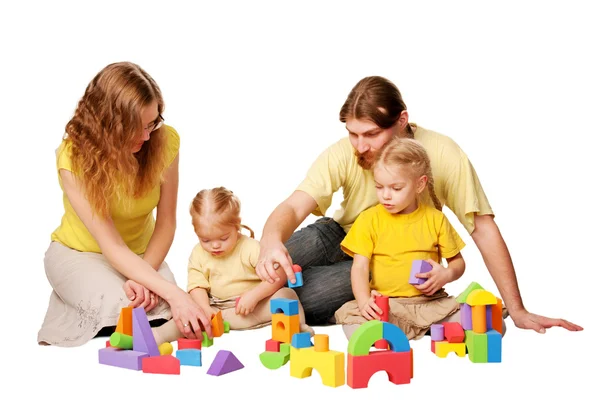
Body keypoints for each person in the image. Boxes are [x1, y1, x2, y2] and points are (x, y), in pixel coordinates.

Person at [255, 75, 583, 334]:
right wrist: (271, 240)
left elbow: (482, 229)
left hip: (381, 262)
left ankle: (233, 306)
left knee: (301, 300)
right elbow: (294, 207)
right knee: (267, 259)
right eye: (353, 134)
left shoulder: (441, 154)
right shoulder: (347, 151)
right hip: (339, 235)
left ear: (402, 120)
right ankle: (209, 294)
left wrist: (519, 310)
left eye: (370, 134)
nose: (360, 145)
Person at [38, 62, 212, 347]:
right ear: (106, 124)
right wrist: (175, 293)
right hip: (81, 253)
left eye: (152, 123)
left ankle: (82, 297)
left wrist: (146, 277)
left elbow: (167, 222)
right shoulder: (72, 158)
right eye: (135, 128)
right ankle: (73, 294)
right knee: (127, 310)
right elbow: (112, 246)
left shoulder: (164, 141)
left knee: (164, 310)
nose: (146, 136)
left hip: (144, 255)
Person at [335, 136, 484, 340]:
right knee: (353, 326)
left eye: (396, 188)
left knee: (490, 322)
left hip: (430, 304)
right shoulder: (369, 219)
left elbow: (457, 263)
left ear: (419, 185)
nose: (386, 195)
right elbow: (359, 267)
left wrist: (447, 275)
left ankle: (419, 329)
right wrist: (364, 301)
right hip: (388, 305)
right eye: (379, 187)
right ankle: (415, 331)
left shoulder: (436, 219)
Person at [152, 187, 313, 344]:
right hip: (217, 310)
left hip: (254, 307)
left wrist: (254, 296)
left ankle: (298, 327)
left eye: (223, 238)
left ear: (236, 226)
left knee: (286, 295)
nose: (215, 246)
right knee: (189, 313)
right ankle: (158, 335)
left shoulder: (249, 248)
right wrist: (204, 308)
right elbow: (197, 286)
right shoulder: (198, 253)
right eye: (206, 240)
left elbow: (279, 274)